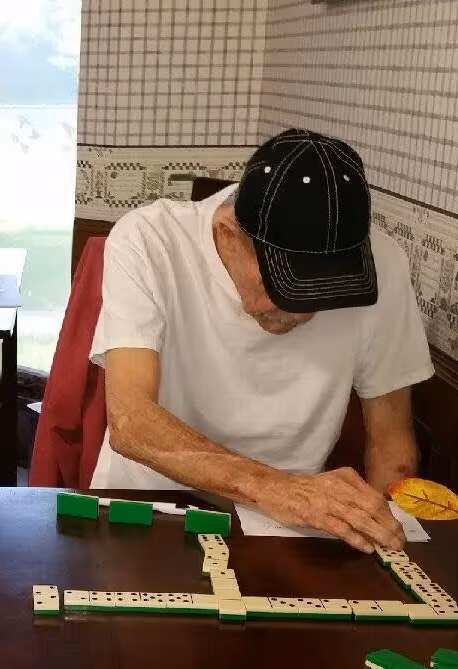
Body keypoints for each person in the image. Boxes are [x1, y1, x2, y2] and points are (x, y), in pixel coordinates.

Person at [92, 129, 432, 553]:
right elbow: (131, 421)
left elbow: (391, 442)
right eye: (286, 289)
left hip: (287, 532)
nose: (306, 314)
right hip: (150, 510)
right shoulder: (150, 239)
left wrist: (385, 548)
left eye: (325, 292)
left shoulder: (385, 264)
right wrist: (279, 489)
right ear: (229, 234)